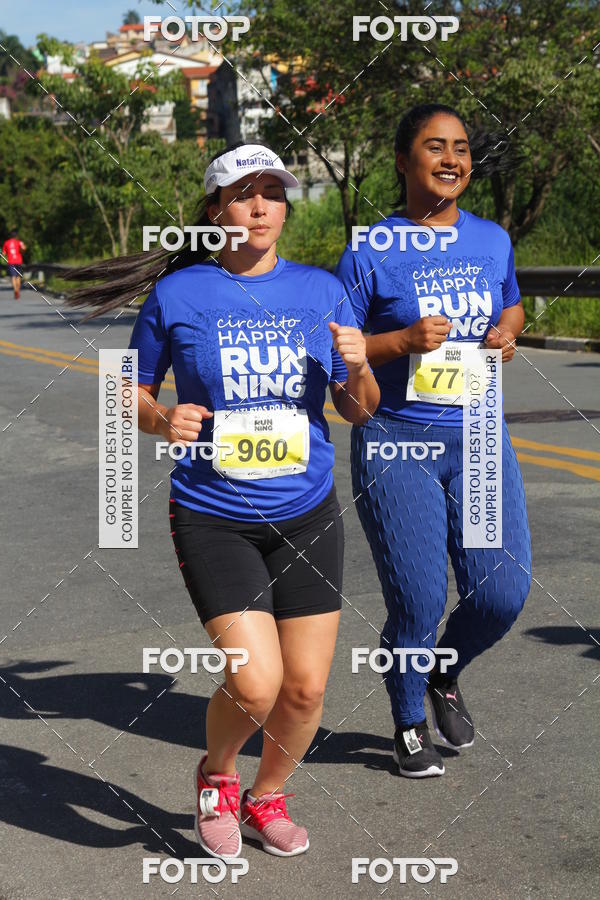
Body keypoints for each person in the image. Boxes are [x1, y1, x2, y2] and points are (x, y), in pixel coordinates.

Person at [66, 142, 379, 857]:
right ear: (217, 209)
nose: (262, 205)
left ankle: (267, 796)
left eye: (274, 192)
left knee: (304, 693)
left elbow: (359, 410)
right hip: (214, 516)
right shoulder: (180, 295)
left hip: (306, 514)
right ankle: (217, 777)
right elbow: (128, 391)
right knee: (258, 681)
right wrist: (158, 418)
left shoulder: (321, 291)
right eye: (245, 193)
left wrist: (359, 367)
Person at [335, 104, 531, 778]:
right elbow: (340, 348)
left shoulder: (492, 239)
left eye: (462, 149)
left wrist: (508, 331)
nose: (452, 160)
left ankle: (445, 670)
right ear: (402, 160)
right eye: (434, 148)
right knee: (416, 600)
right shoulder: (370, 247)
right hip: (397, 440)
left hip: (478, 432)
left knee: (501, 591)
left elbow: (512, 303)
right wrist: (402, 342)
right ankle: (409, 720)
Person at [2, 231, 26, 299]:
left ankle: (15, 290)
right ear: (16, 236)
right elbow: (24, 248)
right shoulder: (19, 242)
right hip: (18, 261)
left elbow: (3, 253)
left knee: (13, 276)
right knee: (18, 276)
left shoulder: (6, 243)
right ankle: (18, 290)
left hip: (11, 262)